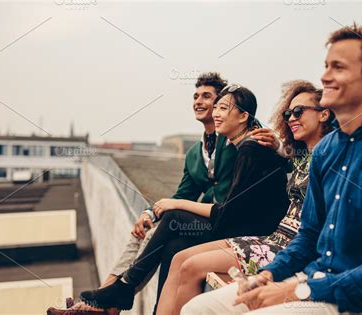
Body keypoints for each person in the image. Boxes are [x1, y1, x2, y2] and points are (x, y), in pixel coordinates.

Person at [182, 23, 362, 315]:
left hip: (358, 301)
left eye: (338, 67)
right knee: (199, 308)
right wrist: (267, 276)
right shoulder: (326, 150)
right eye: (326, 66)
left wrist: (295, 290)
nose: (325, 76)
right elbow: (308, 236)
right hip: (311, 282)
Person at [47, 73, 278, 315]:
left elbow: (253, 125)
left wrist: (280, 146)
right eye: (196, 96)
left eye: (210, 98)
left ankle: (113, 296)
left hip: (230, 221)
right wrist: (150, 211)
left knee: (171, 220)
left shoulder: (239, 140)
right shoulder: (195, 152)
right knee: (162, 238)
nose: (200, 102)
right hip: (218, 218)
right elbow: (185, 191)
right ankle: (115, 300)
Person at [157, 80, 335, 315]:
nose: (291, 117)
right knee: (179, 257)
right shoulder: (301, 157)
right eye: (288, 112)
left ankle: (122, 288)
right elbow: (287, 159)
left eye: (299, 111)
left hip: (288, 247)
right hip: (275, 238)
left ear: (324, 115)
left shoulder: (332, 158)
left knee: (189, 265)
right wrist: (280, 146)